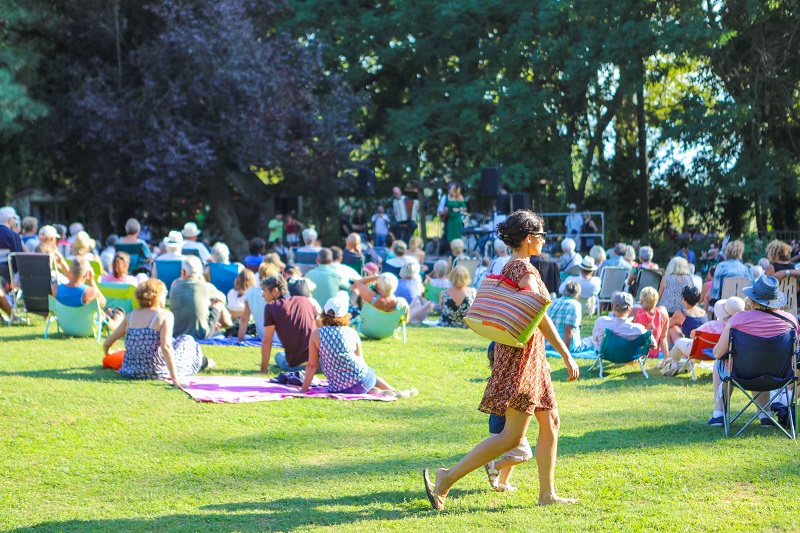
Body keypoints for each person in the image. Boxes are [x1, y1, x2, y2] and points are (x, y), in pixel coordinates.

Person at [423, 210, 579, 510]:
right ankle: (446, 478)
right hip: (522, 359)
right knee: (510, 437)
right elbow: (538, 313)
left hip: (526, 356)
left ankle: (547, 494)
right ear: (528, 238)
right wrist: (565, 353)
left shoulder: (514, 266)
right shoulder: (525, 270)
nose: (544, 240)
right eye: (541, 234)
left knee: (551, 422)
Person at [708, 276, 799, 427]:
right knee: (763, 363)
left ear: (752, 298)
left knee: (721, 362)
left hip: (742, 374)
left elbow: (717, 353)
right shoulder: (791, 321)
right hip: (780, 376)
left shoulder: (738, 319)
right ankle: (766, 415)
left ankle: (718, 415)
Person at [300, 295, 417, 397]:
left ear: (324, 313)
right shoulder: (352, 333)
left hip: (338, 388)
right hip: (363, 380)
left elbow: (312, 365)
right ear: (345, 315)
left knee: (359, 380)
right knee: (369, 375)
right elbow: (361, 361)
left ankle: (377, 391)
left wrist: (304, 390)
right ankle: (392, 391)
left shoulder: (316, 335)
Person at [106, 278, 211, 385]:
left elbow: (107, 342)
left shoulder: (131, 316)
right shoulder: (164, 315)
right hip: (157, 371)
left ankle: (204, 361)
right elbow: (166, 347)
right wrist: (175, 378)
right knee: (187, 340)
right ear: (159, 297)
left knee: (177, 341)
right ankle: (204, 361)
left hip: (130, 370)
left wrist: (108, 354)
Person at [483, 342, 533, 492]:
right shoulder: (509, 381)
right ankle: (494, 466)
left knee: (510, 452)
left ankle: (504, 482)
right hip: (504, 424)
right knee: (523, 455)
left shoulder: (496, 378)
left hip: (496, 423)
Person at [663, 297, 744, 371]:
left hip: (699, 353)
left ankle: (667, 365)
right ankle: (683, 366)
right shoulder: (738, 330)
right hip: (721, 354)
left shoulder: (712, 325)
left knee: (679, 342)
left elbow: (693, 334)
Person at [260, 275, 319, 373]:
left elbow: (267, 341)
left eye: (264, 291)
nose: (263, 295)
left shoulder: (271, 307)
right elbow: (322, 325)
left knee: (279, 356)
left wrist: (263, 370)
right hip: (321, 363)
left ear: (274, 291)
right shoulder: (304, 300)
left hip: (299, 367)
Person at [169, 255, 232, 339]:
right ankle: (230, 326)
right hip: (200, 334)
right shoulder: (206, 287)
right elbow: (223, 299)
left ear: (183, 272)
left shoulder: (174, 286)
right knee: (218, 304)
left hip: (176, 332)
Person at [546, 280, 594, 353]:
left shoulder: (553, 302)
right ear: (578, 296)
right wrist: (566, 352)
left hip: (549, 343)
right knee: (594, 340)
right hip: (566, 346)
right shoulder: (575, 305)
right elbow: (568, 329)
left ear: (564, 291)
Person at [632, 287, 670, 359]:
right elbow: (663, 338)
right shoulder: (663, 312)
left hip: (636, 354)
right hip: (653, 354)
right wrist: (666, 359)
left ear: (641, 301)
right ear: (656, 301)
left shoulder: (635, 312)